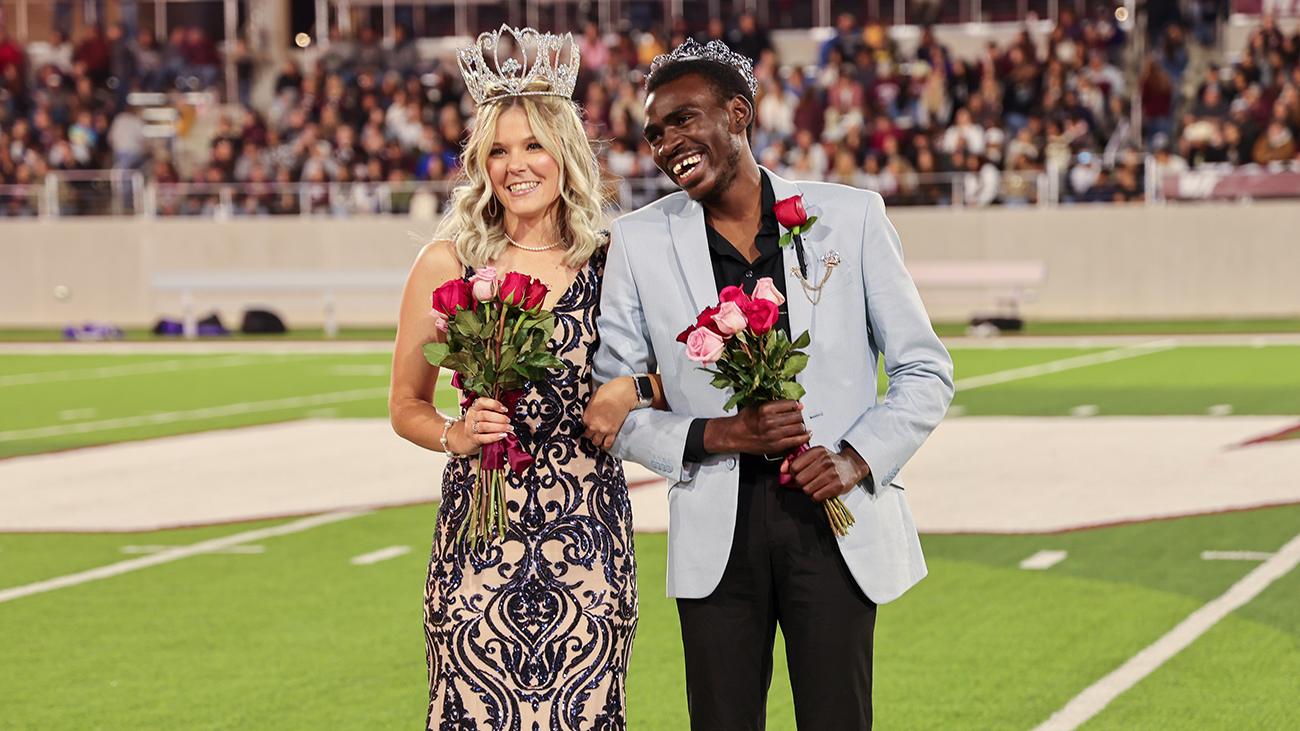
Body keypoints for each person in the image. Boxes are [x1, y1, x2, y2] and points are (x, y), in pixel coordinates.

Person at [592, 40, 954, 729]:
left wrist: (854, 457)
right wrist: (721, 432)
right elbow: (615, 407)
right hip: (714, 534)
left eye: (685, 120)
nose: (669, 143)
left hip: (831, 521)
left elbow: (926, 370)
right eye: (656, 131)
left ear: (739, 113)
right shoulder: (637, 241)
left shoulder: (851, 215)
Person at [388, 27, 660, 731]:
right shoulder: (448, 262)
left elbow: (681, 370)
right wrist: (454, 433)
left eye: (533, 145)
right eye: (499, 150)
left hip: (589, 543)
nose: (517, 165)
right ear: (481, 163)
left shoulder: (613, 263)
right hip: (477, 539)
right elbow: (406, 405)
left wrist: (631, 389)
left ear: (565, 154)